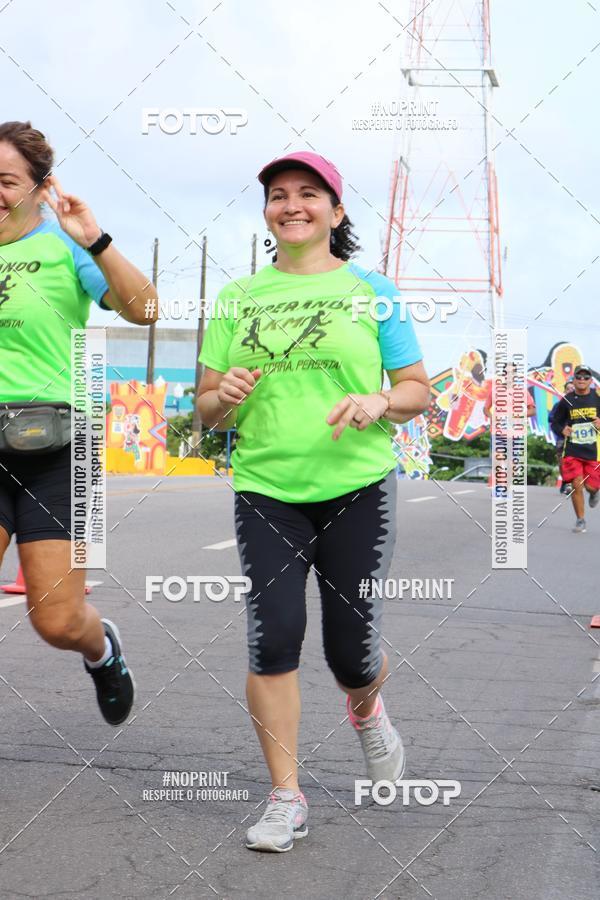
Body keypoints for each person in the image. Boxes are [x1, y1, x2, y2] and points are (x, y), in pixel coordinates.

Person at [198, 150, 430, 852]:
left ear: (336, 210)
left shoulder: (372, 289)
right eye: (277, 195)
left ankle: (367, 712)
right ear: (267, 211)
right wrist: (223, 398)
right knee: (274, 637)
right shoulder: (238, 298)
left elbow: (419, 388)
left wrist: (380, 398)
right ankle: (286, 798)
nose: (291, 205)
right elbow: (207, 409)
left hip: (358, 488)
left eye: (307, 194)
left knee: (350, 653)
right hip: (267, 489)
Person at [0, 121, 158, 724]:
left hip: (62, 448)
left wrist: (93, 238)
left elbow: (145, 310)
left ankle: (103, 650)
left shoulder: (66, 244)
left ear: (42, 188)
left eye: (7, 181)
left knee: (57, 619)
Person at [551, 365, 600, 533]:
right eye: (579, 376)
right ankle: (580, 520)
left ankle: (594, 493)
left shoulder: (597, 398)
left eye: (586, 377)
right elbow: (556, 421)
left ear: (590, 380)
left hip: (593, 450)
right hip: (572, 449)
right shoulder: (567, 400)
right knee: (576, 483)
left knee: (591, 486)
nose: (582, 380)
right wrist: (562, 429)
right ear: (574, 378)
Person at [550, 378, 575, 494]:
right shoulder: (559, 405)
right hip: (561, 438)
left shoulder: (581, 406)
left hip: (577, 439)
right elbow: (551, 419)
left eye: (573, 388)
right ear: (564, 391)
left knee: (575, 461)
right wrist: (562, 430)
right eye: (568, 388)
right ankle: (565, 481)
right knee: (562, 462)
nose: (571, 390)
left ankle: (570, 483)